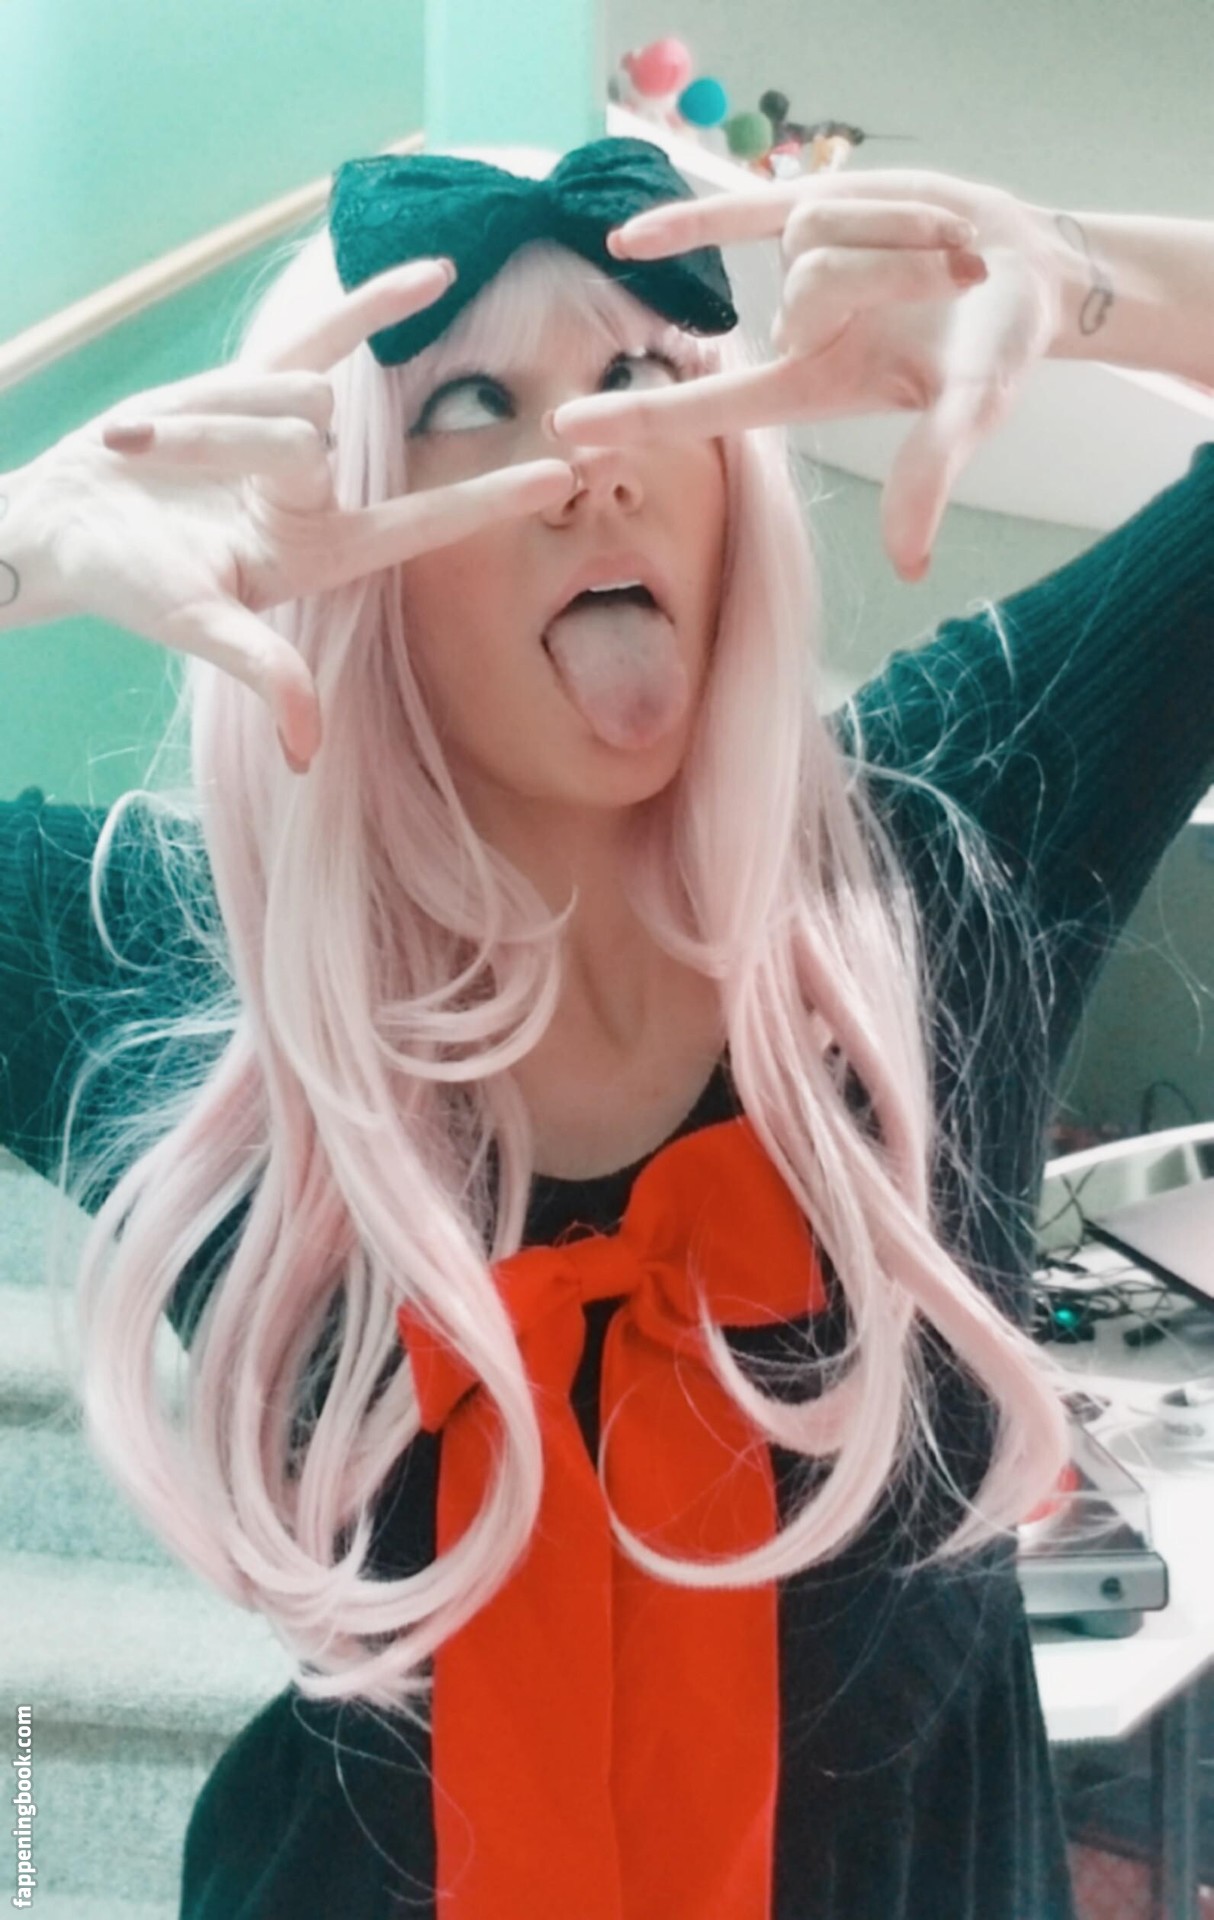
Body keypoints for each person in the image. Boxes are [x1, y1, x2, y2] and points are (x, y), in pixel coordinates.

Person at [0, 134, 1211, 1920]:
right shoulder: (186, 965)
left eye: (643, 374)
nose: (595, 459)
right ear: (338, 515)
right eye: (471, 401)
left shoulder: (939, 848)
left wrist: (1093, 280)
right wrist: (14, 545)